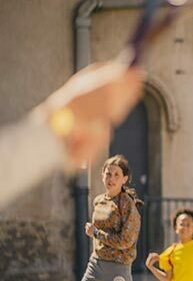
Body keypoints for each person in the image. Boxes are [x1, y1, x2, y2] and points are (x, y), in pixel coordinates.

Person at [0, 59, 144, 208]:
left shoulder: (128, 206)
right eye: (108, 174)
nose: (111, 179)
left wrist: (67, 116)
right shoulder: (100, 203)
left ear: (125, 179)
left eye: (115, 175)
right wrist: (70, 114)